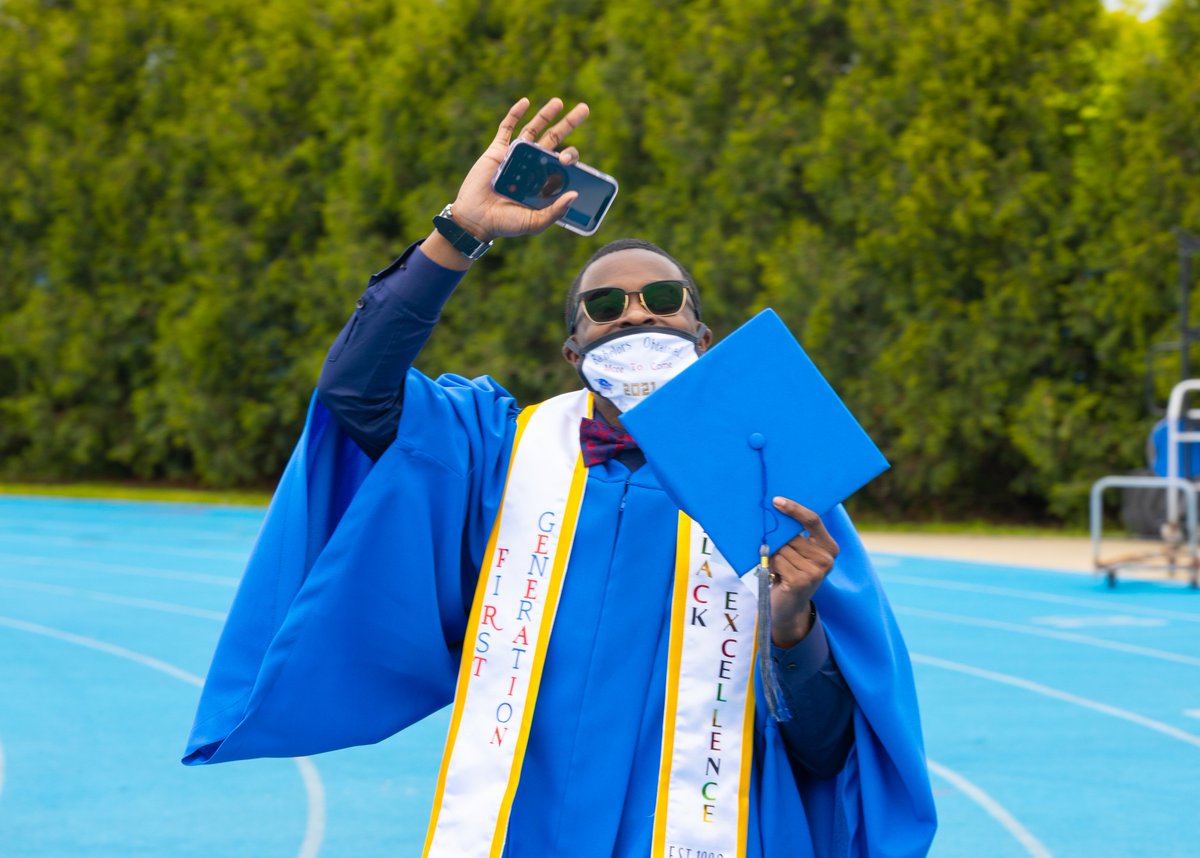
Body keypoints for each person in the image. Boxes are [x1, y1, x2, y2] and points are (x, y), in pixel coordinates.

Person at [184, 98, 937, 857]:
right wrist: (461, 231)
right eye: (603, 305)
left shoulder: (783, 493)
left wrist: (793, 623)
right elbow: (355, 390)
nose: (635, 315)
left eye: (664, 301)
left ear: (703, 339)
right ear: (573, 351)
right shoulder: (500, 455)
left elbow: (827, 751)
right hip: (525, 828)